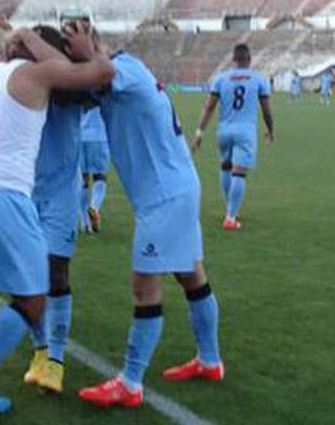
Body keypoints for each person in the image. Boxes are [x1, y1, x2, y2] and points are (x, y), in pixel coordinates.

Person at [0, 25, 113, 424]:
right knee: (33, 302)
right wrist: (84, 47)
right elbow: (100, 73)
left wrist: (20, 40)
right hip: (6, 199)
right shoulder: (36, 74)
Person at [74, 25, 224, 410]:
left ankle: (131, 382)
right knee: (191, 274)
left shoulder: (124, 69)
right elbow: (76, 90)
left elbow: (100, 74)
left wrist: (85, 51)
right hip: (174, 187)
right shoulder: (119, 74)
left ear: (95, 43)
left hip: (164, 196)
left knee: (144, 285)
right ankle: (210, 361)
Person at [193, 44, 275, 230]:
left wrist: (199, 131)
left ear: (233, 59)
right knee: (238, 173)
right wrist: (270, 130)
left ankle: (231, 210)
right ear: (249, 60)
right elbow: (266, 110)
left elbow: (209, 107)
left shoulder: (221, 79)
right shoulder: (258, 80)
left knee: (226, 167)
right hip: (245, 131)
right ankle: (231, 217)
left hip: (224, 130)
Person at [78, 105, 110, 233]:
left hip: (80, 136)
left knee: (83, 179)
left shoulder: (79, 89)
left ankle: (85, 222)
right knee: (100, 176)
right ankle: (94, 206)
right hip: (99, 136)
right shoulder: (100, 88)